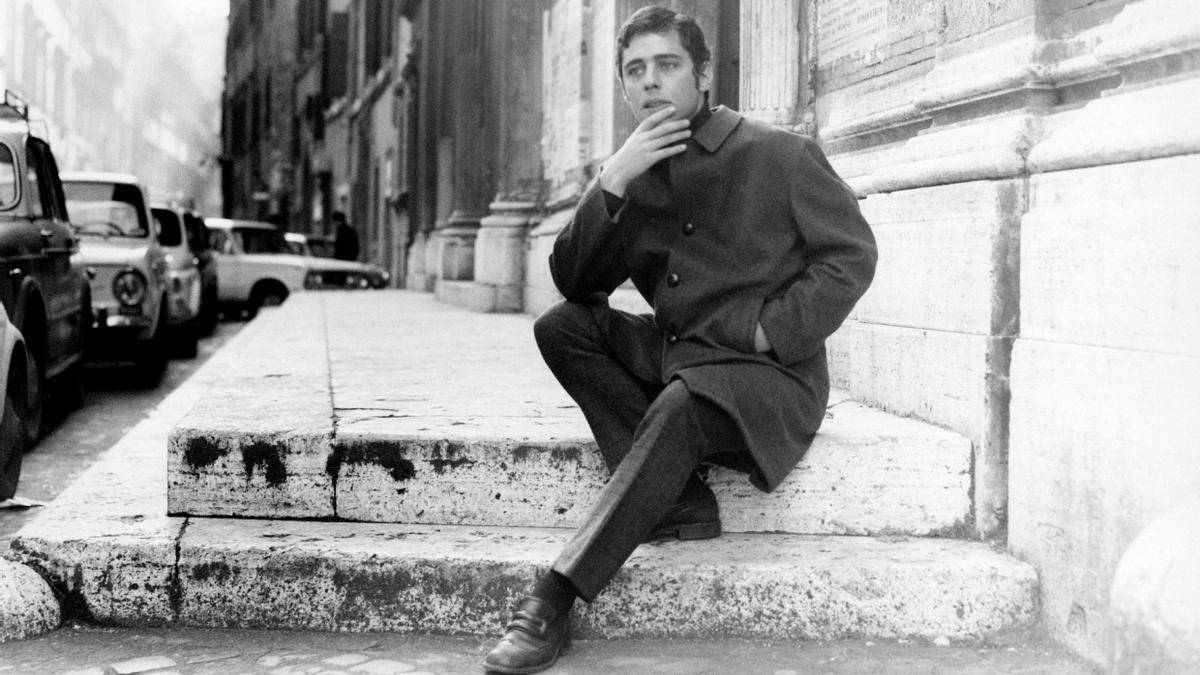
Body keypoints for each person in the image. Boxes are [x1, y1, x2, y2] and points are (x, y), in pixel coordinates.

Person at [483, 6, 877, 674]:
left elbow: (851, 257)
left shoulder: (778, 153)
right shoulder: (635, 174)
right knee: (563, 328)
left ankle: (555, 596)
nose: (650, 83)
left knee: (681, 405)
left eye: (667, 65)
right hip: (682, 362)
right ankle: (680, 496)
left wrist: (770, 327)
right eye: (635, 71)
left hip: (767, 377)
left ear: (700, 73)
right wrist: (611, 181)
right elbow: (574, 281)